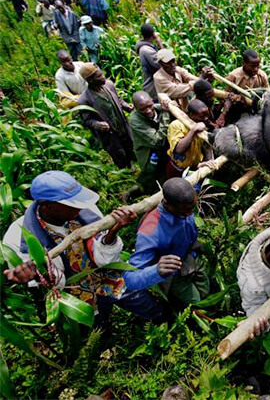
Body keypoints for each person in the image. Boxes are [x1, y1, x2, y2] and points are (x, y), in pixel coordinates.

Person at [2, 171, 164, 327]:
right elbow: (55, 284)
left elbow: (106, 258)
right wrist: (39, 274)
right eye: (69, 204)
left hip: (107, 276)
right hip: (76, 296)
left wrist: (113, 231)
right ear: (45, 205)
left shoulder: (85, 211)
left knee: (144, 303)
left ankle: (162, 322)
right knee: (96, 325)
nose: (78, 208)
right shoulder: (19, 238)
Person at [124, 178, 209, 309]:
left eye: (192, 208)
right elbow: (130, 279)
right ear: (168, 205)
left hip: (193, 257)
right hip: (176, 274)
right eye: (185, 211)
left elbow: (197, 181)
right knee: (196, 302)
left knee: (205, 289)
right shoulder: (150, 232)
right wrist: (156, 270)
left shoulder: (185, 200)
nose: (190, 214)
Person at [77, 63, 136, 169]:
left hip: (122, 126)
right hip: (110, 134)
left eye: (102, 74)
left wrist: (127, 106)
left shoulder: (108, 85)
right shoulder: (84, 100)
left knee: (130, 146)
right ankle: (125, 172)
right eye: (99, 76)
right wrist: (98, 125)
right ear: (90, 80)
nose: (103, 77)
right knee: (118, 154)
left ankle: (133, 164)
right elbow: (87, 120)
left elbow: (118, 99)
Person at [128, 91, 171, 195]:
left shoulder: (157, 108)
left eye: (149, 106)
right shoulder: (134, 120)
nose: (148, 111)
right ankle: (135, 192)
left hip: (162, 149)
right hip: (148, 152)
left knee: (162, 174)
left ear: (152, 100)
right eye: (142, 109)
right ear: (135, 108)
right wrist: (165, 115)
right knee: (150, 176)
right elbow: (157, 141)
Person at [166, 99, 214, 179]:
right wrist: (193, 130)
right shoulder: (176, 125)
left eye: (207, 115)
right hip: (177, 169)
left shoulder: (202, 125)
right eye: (202, 116)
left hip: (194, 168)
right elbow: (179, 150)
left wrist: (201, 164)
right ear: (191, 115)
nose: (206, 118)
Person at [135, 23, 163, 99]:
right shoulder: (146, 50)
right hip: (153, 89)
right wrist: (160, 43)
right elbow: (164, 63)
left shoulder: (146, 48)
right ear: (153, 34)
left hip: (155, 87)